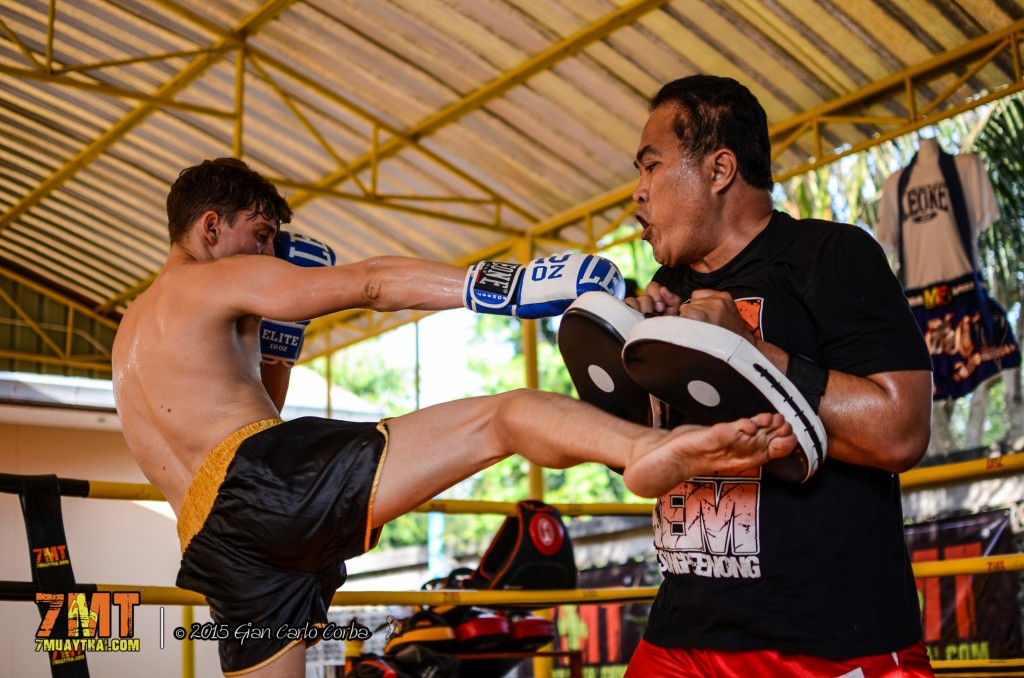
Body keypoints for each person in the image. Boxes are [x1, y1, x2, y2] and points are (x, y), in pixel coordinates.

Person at [110, 157, 797, 677]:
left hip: (219, 543)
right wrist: (504, 287)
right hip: (263, 483)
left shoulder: (129, 338)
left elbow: (254, 418)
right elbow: (372, 285)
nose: (268, 256)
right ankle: (644, 448)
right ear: (209, 227)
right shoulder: (209, 277)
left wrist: (279, 354)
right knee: (506, 415)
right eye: (260, 236)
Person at [621, 75, 935, 676]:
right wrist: (628, 354)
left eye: (651, 167)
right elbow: (642, 455)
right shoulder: (671, 295)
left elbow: (900, 430)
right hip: (680, 634)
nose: (638, 193)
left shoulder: (831, 256)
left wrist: (749, 347)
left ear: (719, 170)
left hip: (821, 640)